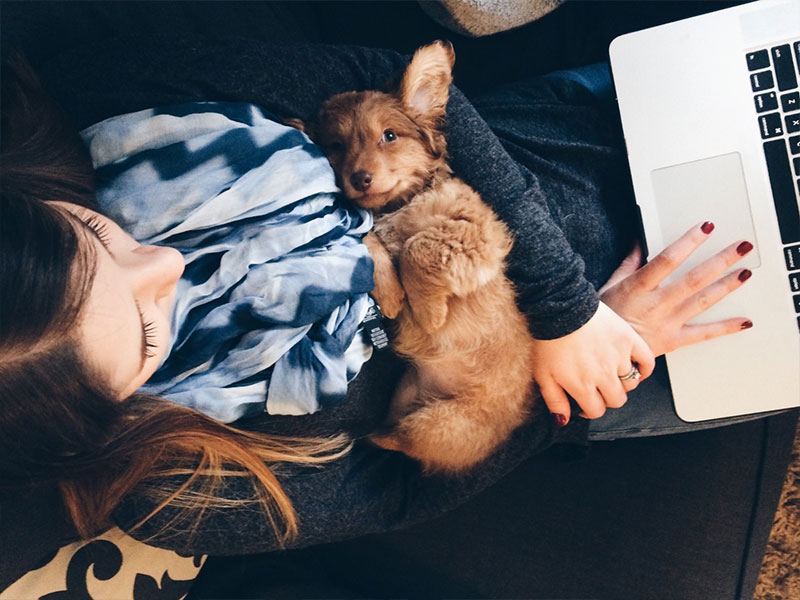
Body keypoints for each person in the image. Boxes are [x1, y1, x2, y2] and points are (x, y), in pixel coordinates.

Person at [0, 33, 763, 562]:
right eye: (145, 331)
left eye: (97, 236)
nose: (165, 264)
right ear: (109, 417)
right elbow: (407, 494)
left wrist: (565, 306)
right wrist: (610, 338)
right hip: (644, 342)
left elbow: (371, 76)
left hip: (581, 131)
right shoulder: (171, 493)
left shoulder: (96, 102)